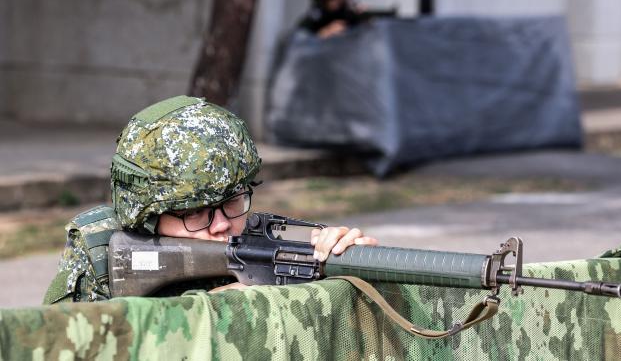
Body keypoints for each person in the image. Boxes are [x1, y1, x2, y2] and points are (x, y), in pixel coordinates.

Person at [43, 95, 377, 303]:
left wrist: (354, 269)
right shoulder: (103, 254)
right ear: (145, 216)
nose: (221, 225)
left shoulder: (269, 243)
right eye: (195, 211)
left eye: (232, 201)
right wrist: (206, 313)